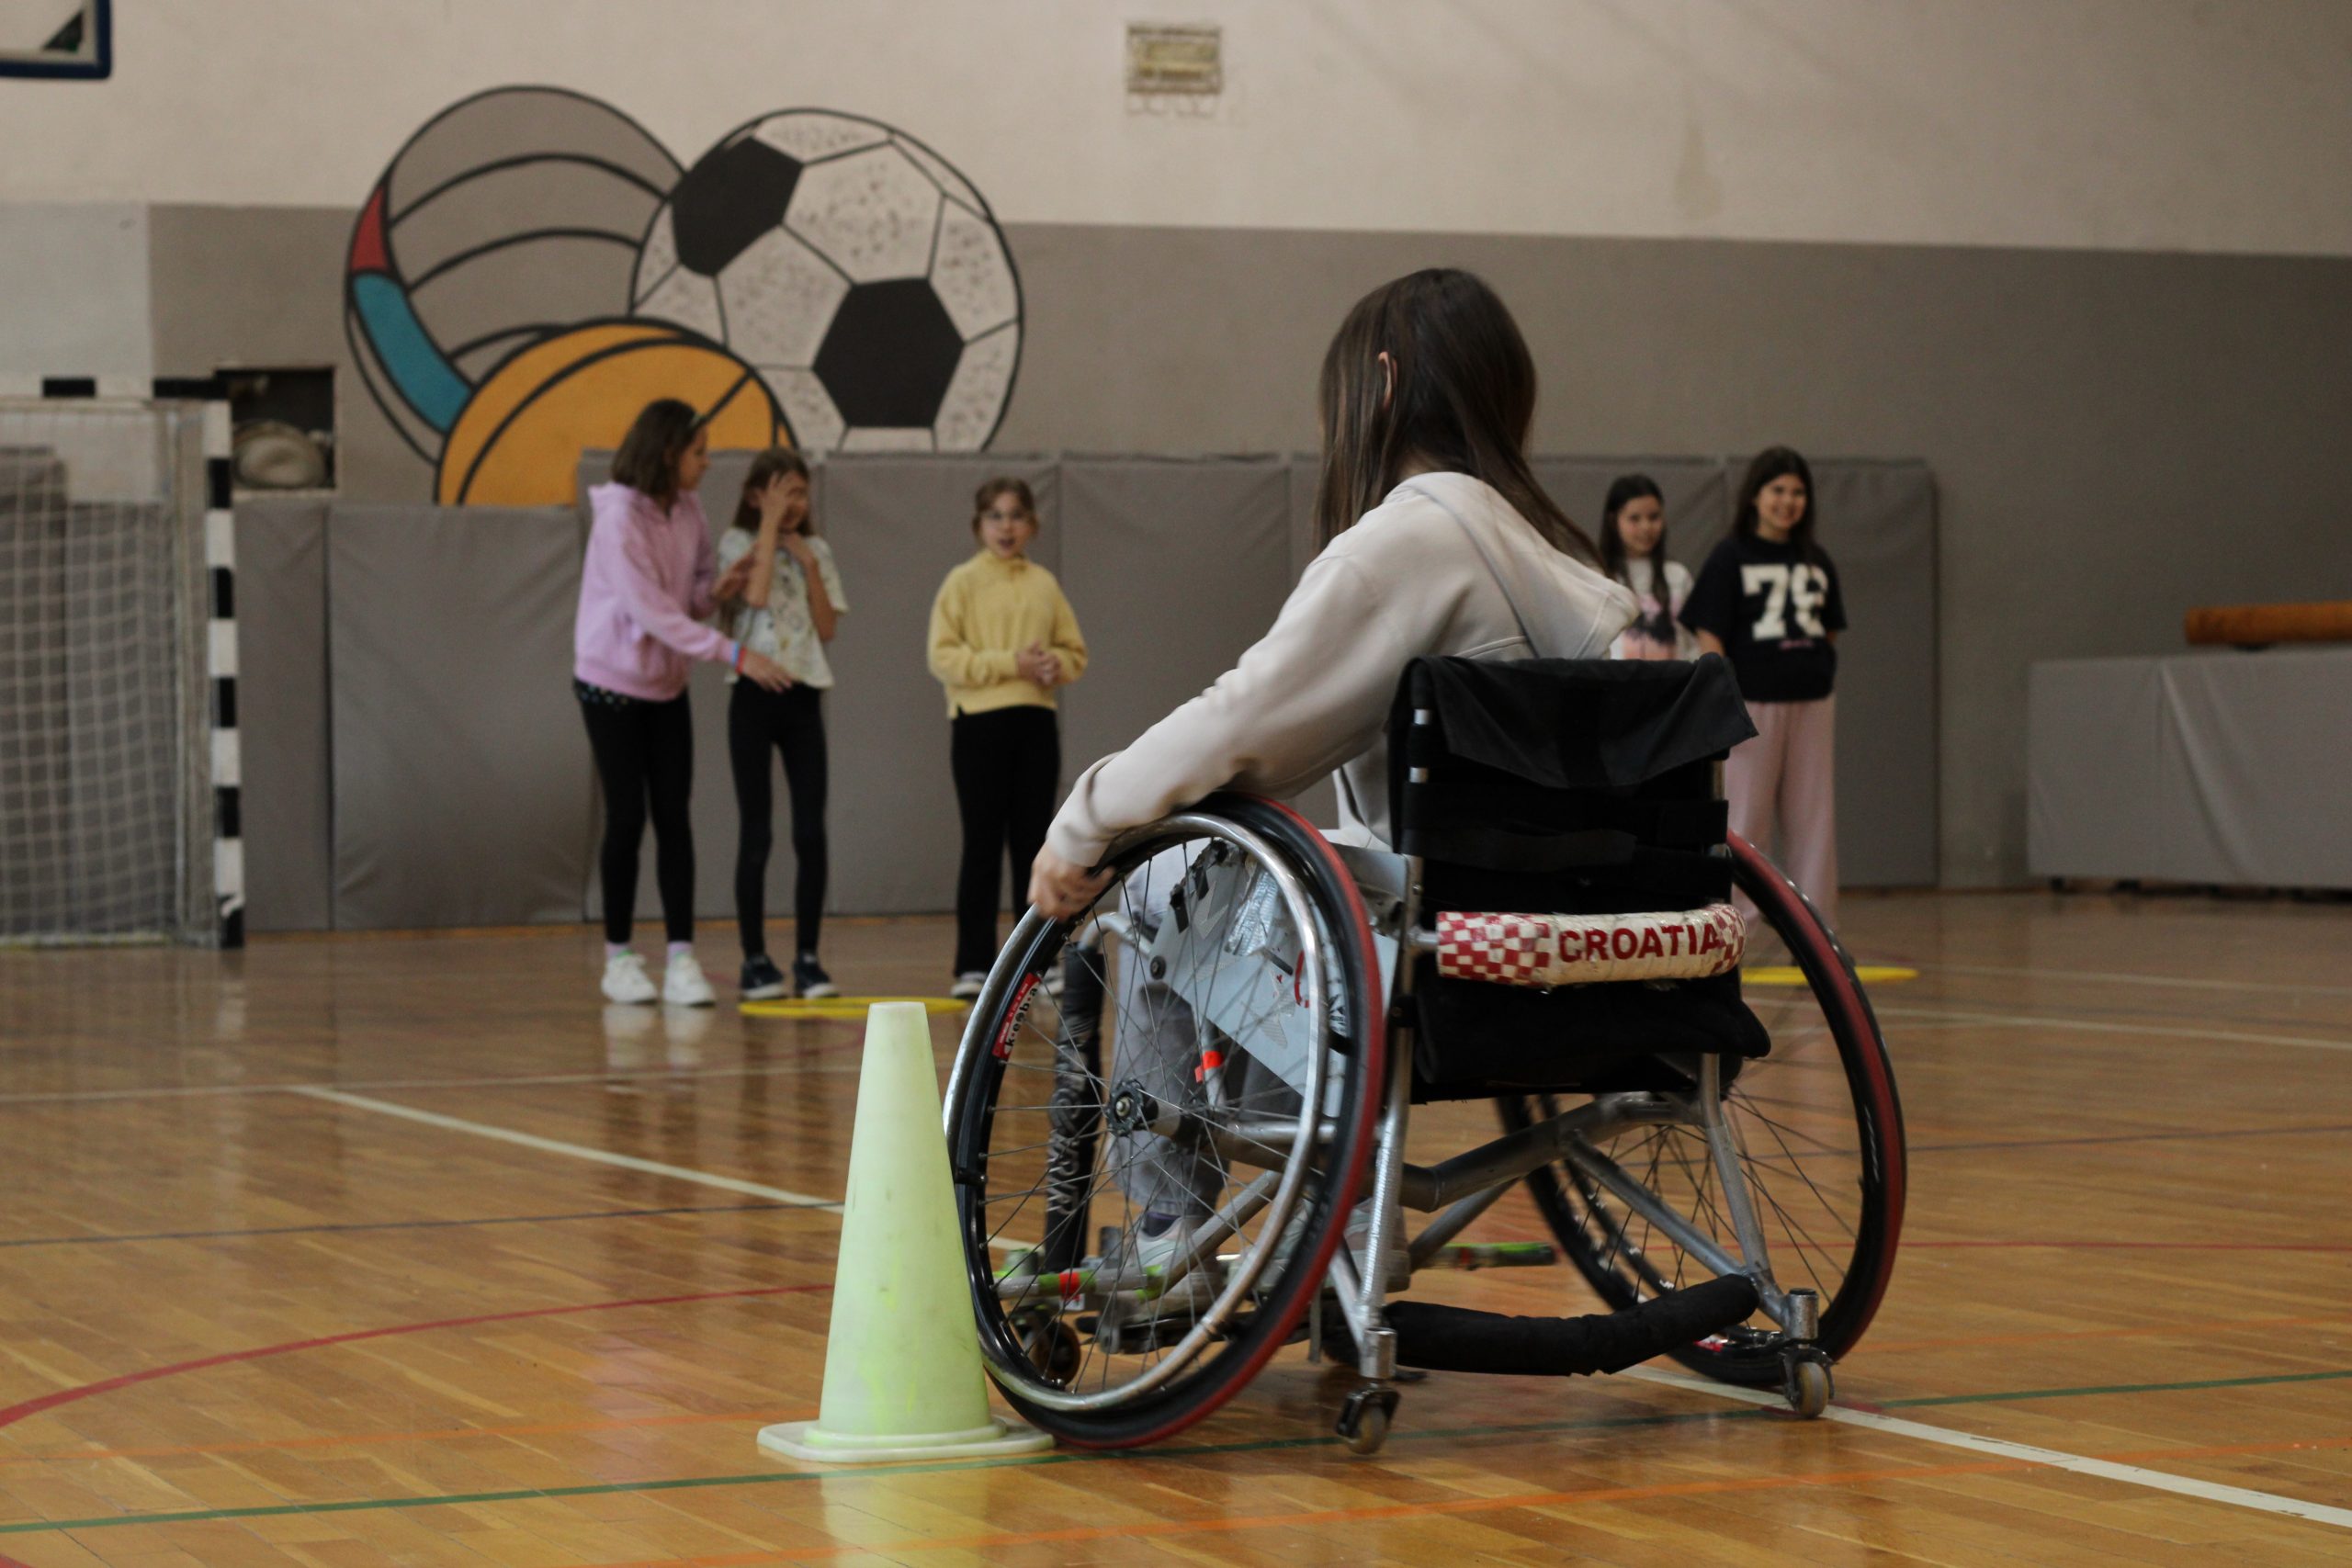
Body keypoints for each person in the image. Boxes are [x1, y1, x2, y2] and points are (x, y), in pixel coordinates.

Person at [1025, 268, 1637, 1292]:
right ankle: (1339, 1210)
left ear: (1382, 382)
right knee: (1301, 894)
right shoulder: (1568, 570)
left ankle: (1187, 1219)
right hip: (1580, 959)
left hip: (1428, 958)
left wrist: (1083, 823)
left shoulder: (1405, 542)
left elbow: (1243, 725)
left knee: (1156, 876)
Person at [574, 399, 787, 1006]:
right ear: (668, 453)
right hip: (610, 685)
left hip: (665, 685)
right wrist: (735, 653)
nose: (706, 462)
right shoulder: (618, 519)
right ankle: (618, 957)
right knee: (626, 818)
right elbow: (651, 613)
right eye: (699, 451)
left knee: (674, 817)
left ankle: (680, 957)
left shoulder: (688, 506)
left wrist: (717, 589)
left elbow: (687, 602)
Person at [928, 478, 1088, 999]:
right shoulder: (961, 583)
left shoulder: (1044, 584)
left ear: (1032, 526)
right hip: (977, 725)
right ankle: (974, 964)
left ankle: (1036, 963)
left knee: (1034, 845)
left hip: (1034, 724)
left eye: (1016, 515)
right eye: (995, 516)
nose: (1006, 526)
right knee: (981, 843)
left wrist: (1053, 665)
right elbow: (943, 656)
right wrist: (1009, 664)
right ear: (979, 525)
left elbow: (1075, 653)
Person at [1679, 445, 1846, 926]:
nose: (1787, 501)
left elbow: (1829, 628)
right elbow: (1709, 631)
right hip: (1752, 706)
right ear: (1755, 495)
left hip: (1812, 703)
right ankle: (1738, 926)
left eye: (1797, 492)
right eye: (1777, 490)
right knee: (1745, 818)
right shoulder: (1730, 556)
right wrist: (1726, 695)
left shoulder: (1817, 559)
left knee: (1813, 820)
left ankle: (1817, 928)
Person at [715, 448, 848, 1001]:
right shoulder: (736, 543)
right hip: (752, 697)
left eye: (799, 492)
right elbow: (755, 595)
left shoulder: (817, 549)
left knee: (809, 832)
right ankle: (754, 959)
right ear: (756, 496)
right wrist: (768, 529)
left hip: (803, 696)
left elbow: (827, 628)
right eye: (782, 492)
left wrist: (810, 564)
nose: (794, 503)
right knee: (757, 831)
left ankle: (809, 959)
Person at [1598, 473, 1697, 660]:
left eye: (1653, 517)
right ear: (1613, 521)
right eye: (1634, 519)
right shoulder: (1599, 576)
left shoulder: (1678, 575)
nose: (1646, 527)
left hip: (1676, 677)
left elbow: (1693, 643)